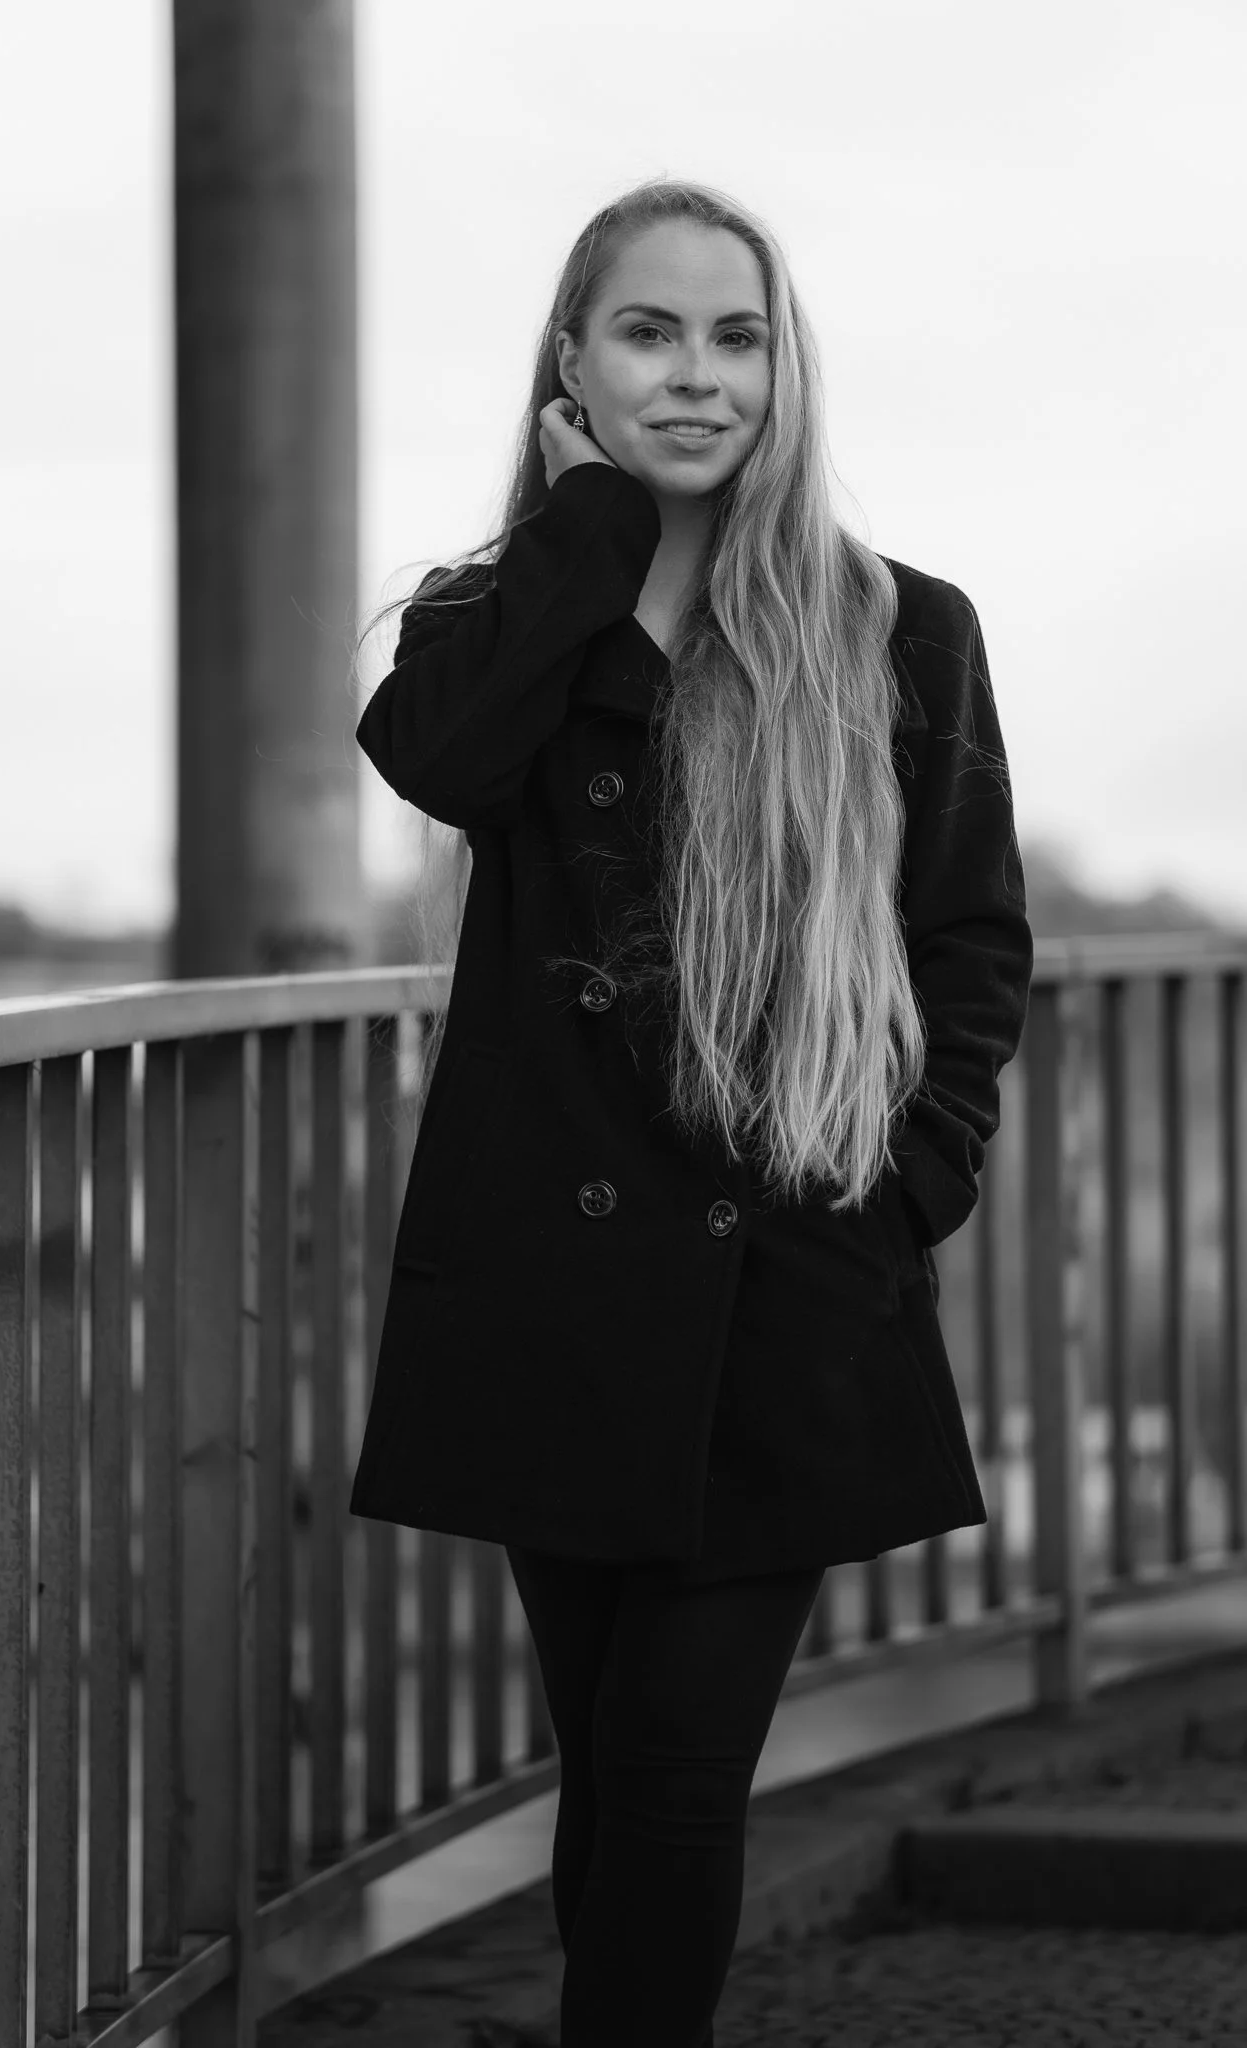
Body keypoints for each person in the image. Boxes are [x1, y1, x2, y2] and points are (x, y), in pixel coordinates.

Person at [347, 177, 1032, 2046]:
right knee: (610, 1765)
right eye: (649, 332)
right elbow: (445, 763)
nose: (701, 376)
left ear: (783, 366)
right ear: (571, 362)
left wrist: (912, 1192)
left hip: (791, 1269)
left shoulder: (899, 630)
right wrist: (587, 533)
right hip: (555, 1293)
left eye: (739, 336)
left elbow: (969, 941)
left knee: (670, 1766)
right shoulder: (495, 622)